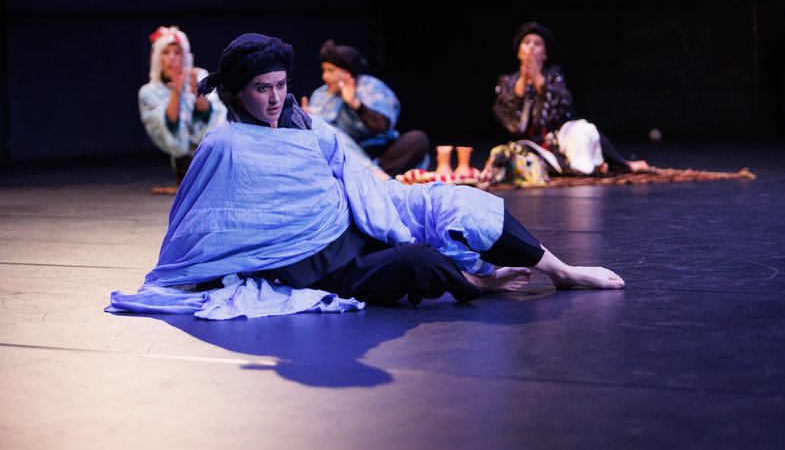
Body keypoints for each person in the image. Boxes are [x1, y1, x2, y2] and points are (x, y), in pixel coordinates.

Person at [107, 33, 624, 320]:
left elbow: (349, 168)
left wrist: (380, 200)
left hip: (358, 216)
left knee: (457, 201)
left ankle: (560, 269)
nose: (275, 98)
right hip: (322, 266)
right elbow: (201, 218)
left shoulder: (306, 123)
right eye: (262, 88)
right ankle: (479, 283)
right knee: (417, 260)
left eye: (281, 85)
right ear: (238, 92)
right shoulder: (225, 143)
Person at [492, 21, 649, 175]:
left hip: (560, 140)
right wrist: (523, 81)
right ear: (519, 52)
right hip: (529, 147)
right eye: (526, 43)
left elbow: (561, 107)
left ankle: (615, 164)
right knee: (514, 157)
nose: (531, 47)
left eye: (537, 43)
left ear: (545, 54)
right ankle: (588, 167)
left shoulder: (554, 76)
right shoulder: (508, 82)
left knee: (584, 130)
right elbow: (508, 119)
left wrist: (537, 78)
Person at [302, 40, 429, 180]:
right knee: (330, 133)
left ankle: (368, 177)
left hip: (379, 151)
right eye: (324, 70)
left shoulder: (370, 86)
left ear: (347, 72)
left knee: (417, 140)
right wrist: (308, 119)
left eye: (330, 70)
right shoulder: (321, 94)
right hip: (345, 154)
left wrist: (355, 104)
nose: (325, 76)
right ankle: (374, 176)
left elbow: (382, 127)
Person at [138, 25, 227, 184]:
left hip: (209, 152)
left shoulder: (199, 75)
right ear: (158, 58)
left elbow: (212, 115)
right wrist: (176, 92)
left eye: (177, 52)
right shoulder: (149, 92)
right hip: (183, 160)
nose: (172, 58)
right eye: (166, 53)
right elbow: (168, 128)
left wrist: (198, 92)